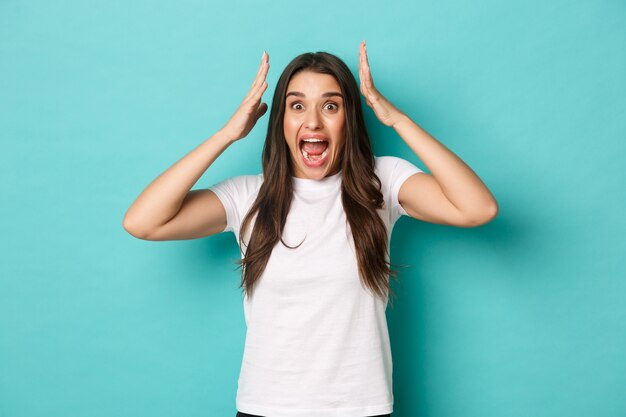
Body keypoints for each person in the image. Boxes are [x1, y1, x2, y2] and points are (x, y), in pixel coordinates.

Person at [123, 41, 498, 417]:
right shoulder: (248, 196)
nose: (314, 121)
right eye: (297, 105)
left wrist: (397, 119)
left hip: (361, 409)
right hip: (265, 408)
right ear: (281, 121)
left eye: (331, 106)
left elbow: (477, 208)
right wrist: (227, 134)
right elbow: (143, 221)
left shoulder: (380, 183)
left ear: (349, 118)